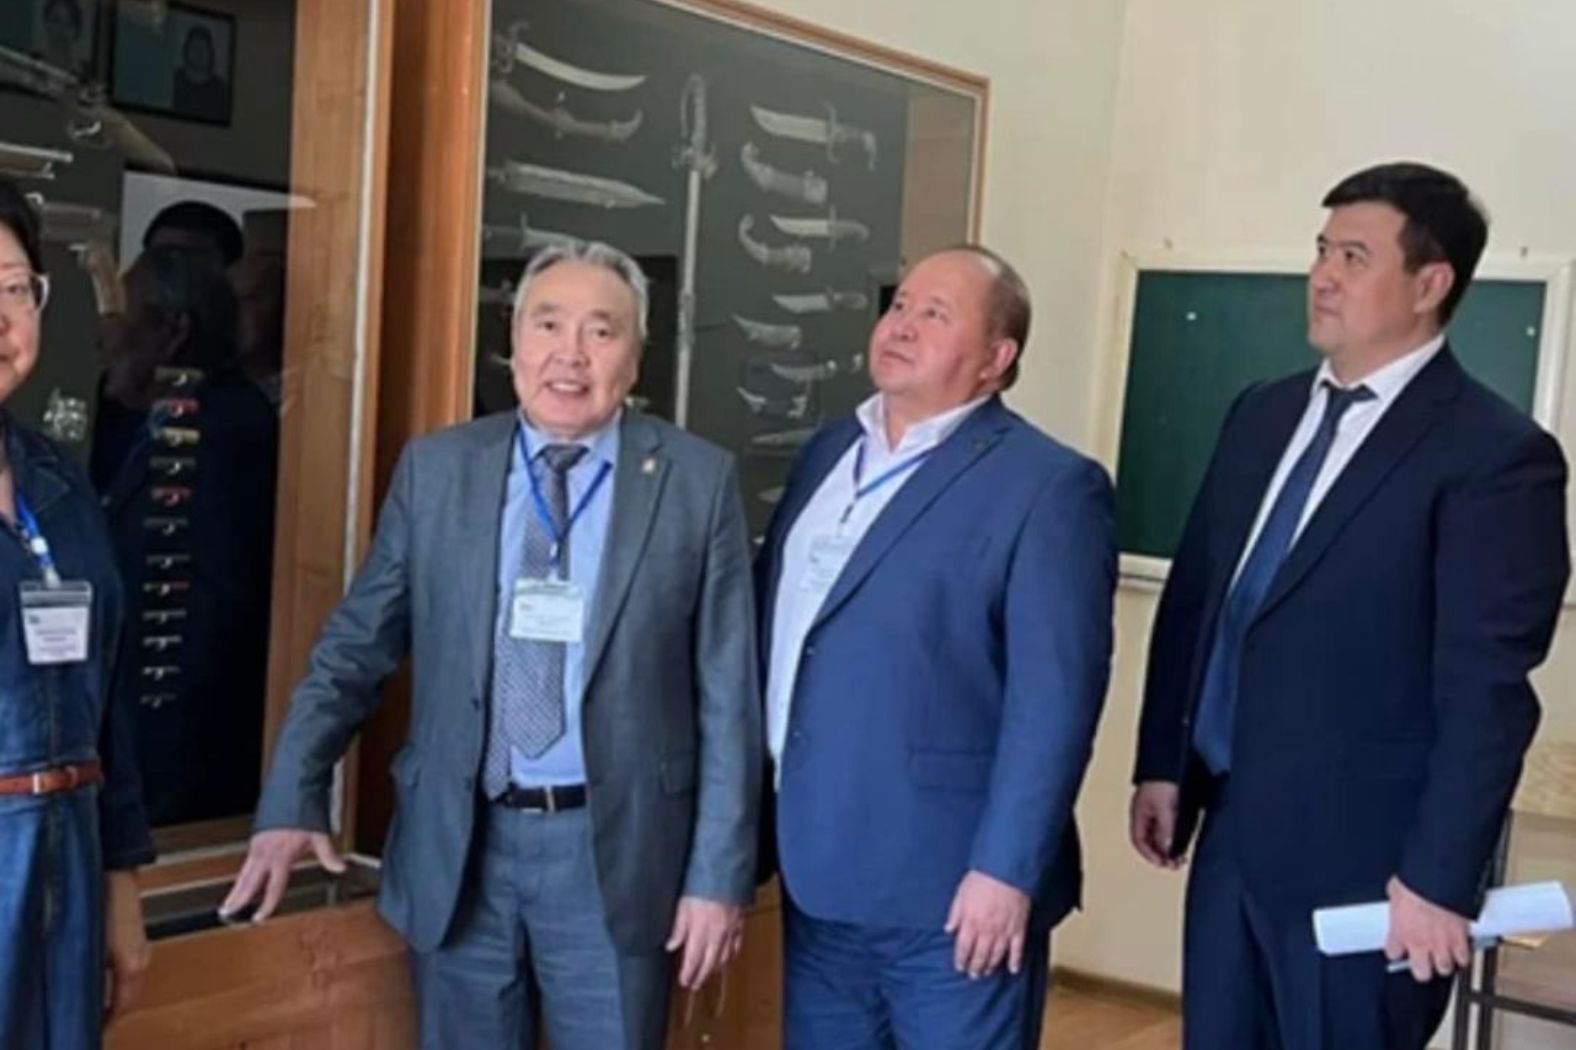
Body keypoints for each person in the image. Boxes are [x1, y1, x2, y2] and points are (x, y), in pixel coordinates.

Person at [221, 241, 761, 1050]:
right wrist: (291, 794)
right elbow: (354, 650)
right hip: (461, 843)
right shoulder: (440, 470)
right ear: (513, 343)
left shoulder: (695, 481)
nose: (570, 354)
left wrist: (717, 877)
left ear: (635, 355)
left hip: (615, 853)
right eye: (548, 324)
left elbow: (728, 696)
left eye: (601, 331)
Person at [1129, 161, 1569, 1049]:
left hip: (1371, 870)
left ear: (1430, 284)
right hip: (1232, 837)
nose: (1323, 275)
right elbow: (1201, 599)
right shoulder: (1262, 414)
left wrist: (1438, 878)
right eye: (1322, 250)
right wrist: (1163, 764)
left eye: (1355, 258)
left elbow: (1486, 692)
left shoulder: (1494, 455)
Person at [756, 246, 1115, 1049]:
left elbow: (1054, 702)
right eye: (900, 306)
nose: (903, 326)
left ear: (996, 359)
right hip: (818, 872)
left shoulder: (1048, 487)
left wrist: (1007, 869)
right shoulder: (826, 454)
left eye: (935, 315)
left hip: (954, 893)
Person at [0, 177, 154, 1047]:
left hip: (70, 851)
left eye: (14, 289)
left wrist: (121, 882)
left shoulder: (58, 480)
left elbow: (108, 695)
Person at [90, 246, 278, 827]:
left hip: (181, 761)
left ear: (173, 331)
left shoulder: (224, 428)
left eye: (122, 316)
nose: (105, 337)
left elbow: (211, 610)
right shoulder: (158, 416)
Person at [170, 24, 230, 124]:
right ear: (187, 50)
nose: (199, 53)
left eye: (204, 48)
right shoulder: (174, 80)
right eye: (195, 47)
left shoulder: (221, 90)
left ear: (210, 52)